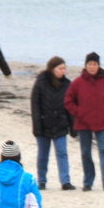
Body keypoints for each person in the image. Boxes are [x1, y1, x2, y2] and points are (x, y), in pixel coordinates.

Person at [64, 52, 104, 191]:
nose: (92, 67)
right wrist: (79, 113)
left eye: (94, 64)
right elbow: (68, 101)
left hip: (102, 123)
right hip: (83, 123)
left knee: (103, 150)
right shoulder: (78, 82)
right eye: (89, 64)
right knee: (85, 153)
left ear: (98, 65)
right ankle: (88, 182)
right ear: (85, 65)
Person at [30, 57, 75, 190]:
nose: (63, 71)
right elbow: (35, 105)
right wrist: (37, 126)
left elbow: (70, 107)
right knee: (43, 154)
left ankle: (65, 181)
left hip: (60, 123)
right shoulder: (41, 82)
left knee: (62, 153)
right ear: (52, 69)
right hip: (44, 123)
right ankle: (42, 181)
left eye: (64, 68)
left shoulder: (67, 84)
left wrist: (73, 126)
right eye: (60, 68)